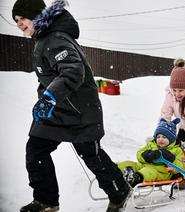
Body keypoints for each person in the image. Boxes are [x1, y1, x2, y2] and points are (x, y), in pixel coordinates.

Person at [12, 0, 131, 211]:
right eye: (16, 21)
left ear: (36, 15)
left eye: (22, 18)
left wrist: (49, 98)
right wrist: (44, 100)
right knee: (36, 149)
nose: (19, 24)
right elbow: (48, 80)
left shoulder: (55, 39)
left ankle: (119, 190)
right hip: (58, 110)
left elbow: (73, 72)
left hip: (80, 110)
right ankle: (46, 201)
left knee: (92, 156)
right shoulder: (43, 39)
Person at [116, 118, 185, 187]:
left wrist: (171, 158)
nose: (160, 139)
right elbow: (139, 154)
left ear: (171, 139)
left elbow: (181, 168)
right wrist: (146, 155)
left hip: (160, 172)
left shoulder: (177, 150)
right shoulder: (151, 144)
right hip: (142, 166)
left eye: (164, 137)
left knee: (148, 171)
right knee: (128, 163)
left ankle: (135, 178)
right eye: (158, 137)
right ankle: (113, 170)